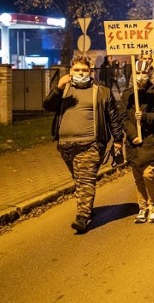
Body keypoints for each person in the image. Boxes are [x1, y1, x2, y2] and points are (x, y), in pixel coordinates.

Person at [43, 55, 124, 234]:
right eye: (77, 70)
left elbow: (113, 117)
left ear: (90, 72)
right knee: (80, 180)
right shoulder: (64, 89)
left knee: (86, 180)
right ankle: (88, 208)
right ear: (71, 71)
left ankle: (82, 216)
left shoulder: (101, 91)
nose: (81, 73)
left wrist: (118, 140)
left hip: (91, 145)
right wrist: (58, 88)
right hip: (65, 146)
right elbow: (48, 106)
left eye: (84, 70)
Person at [120, 60, 154, 224]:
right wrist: (132, 135)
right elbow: (123, 117)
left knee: (148, 173)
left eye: (144, 73)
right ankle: (143, 206)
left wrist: (145, 117)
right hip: (134, 142)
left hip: (150, 140)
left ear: (149, 74)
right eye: (138, 73)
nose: (141, 77)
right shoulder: (127, 94)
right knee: (138, 176)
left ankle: (152, 204)